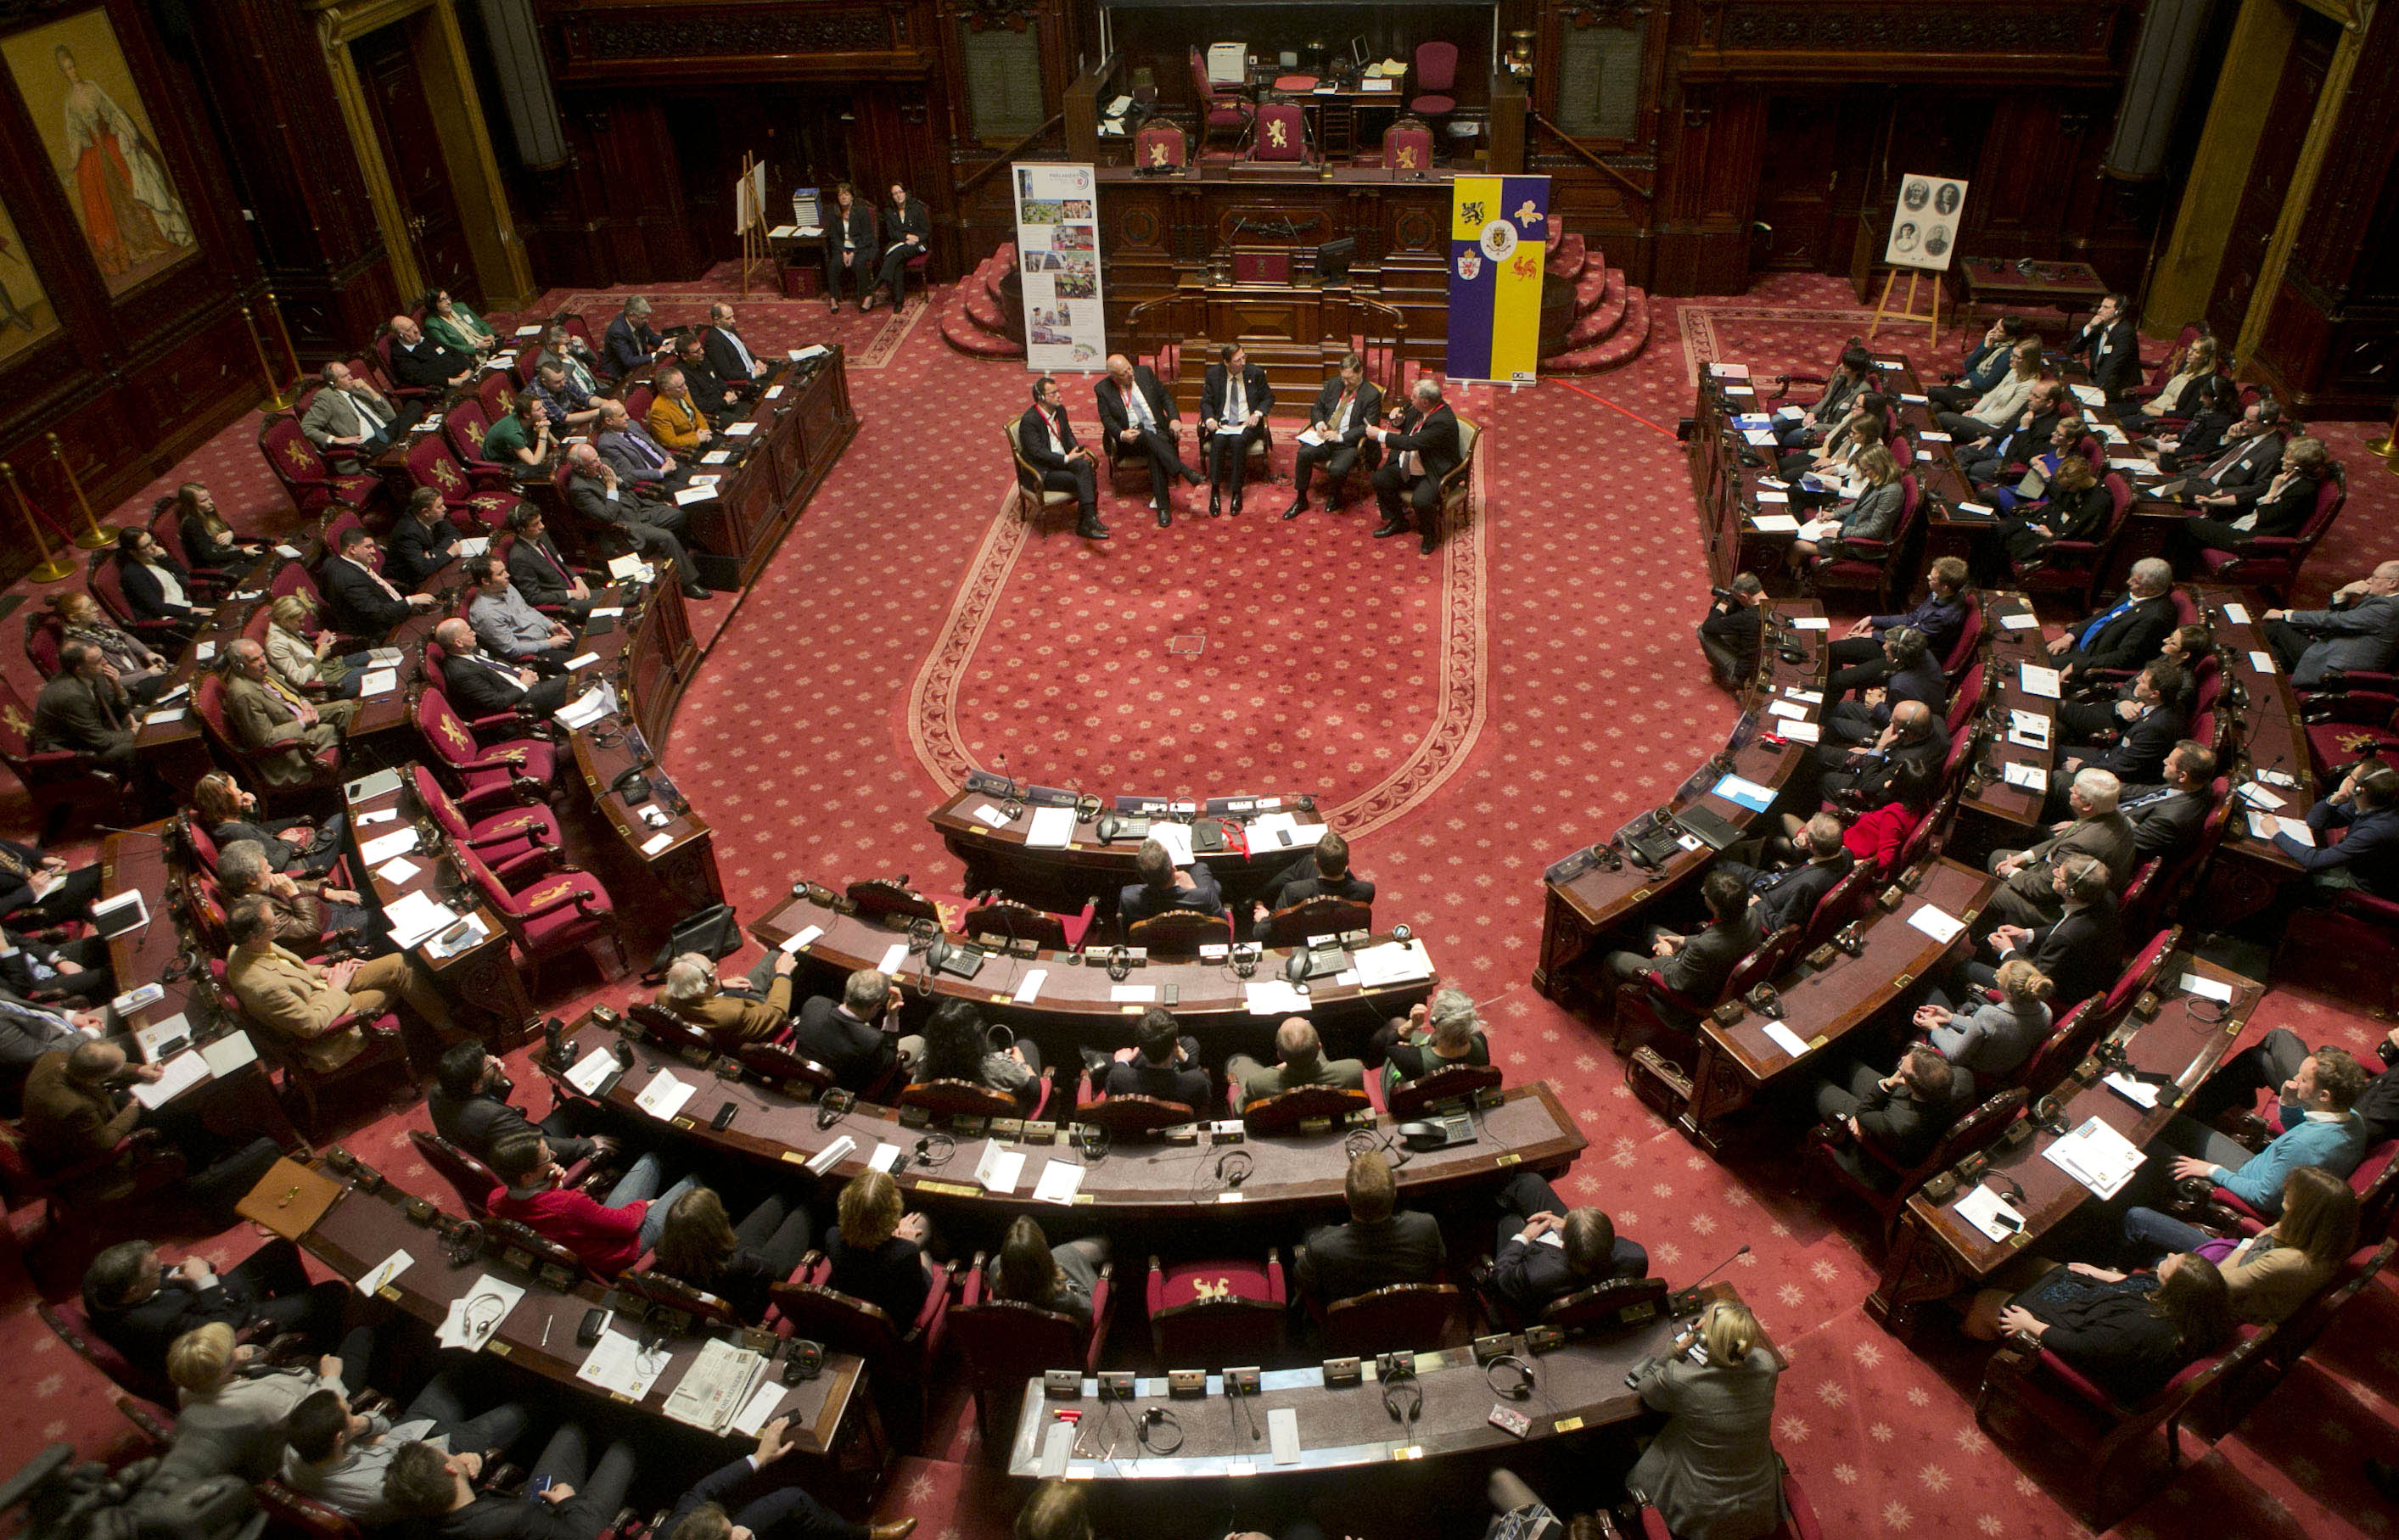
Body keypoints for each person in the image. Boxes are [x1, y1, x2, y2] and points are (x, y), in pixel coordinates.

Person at [224, 894, 455, 1069]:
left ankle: (442, 1022)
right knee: (394, 985)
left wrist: (323, 973)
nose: (277, 927)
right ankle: (451, 1033)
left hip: (323, 987)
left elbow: (295, 969)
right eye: (274, 926)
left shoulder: (244, 946)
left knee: (398, 963)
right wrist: (336, 988)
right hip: (330, 1023)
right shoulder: (262, 987)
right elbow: (311, 1026)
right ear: (253, 937)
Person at [2116, 1165, 2360, 1326]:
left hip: (2216, 1301)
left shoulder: (2291, 1262)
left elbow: (2217, 1283)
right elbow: (2254, 1242)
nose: (2283, 1197)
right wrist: (2246, 1245)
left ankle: (2116, 1270)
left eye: (2289, 1201)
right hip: (2230, 1259)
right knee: (2139, 1217)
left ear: (2306, 1213)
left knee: (2159, 1262)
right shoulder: (2315, 1235)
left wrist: (2244, 1246)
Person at [2147, 1043, 2371, 1216]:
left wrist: (2211, 1171)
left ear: (2324, 1096)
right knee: (2168, 1121)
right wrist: (2290, 1102)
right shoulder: (2353, 1119)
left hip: (2242, 1184)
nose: (2295, 1079)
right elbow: (2302, 1130)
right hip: (2261, 1168)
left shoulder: (2304, 1147)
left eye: (2303, 1079)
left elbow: (2263, 1197)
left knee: (2148, 1144)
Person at [81, 1236, 346, 1381]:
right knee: (333, 1292)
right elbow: (222, 1330)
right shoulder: (158, 1324)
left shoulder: (98, 1283)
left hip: (203, 1300)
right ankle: (326, 1343)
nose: (161, 1268)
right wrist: (204, 1282)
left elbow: (167, 1275)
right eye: (154, 1270)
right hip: (228, 1324)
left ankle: (304, 1321)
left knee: (280, 1248)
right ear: (134, 1292)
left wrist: (179, 1274)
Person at [1625, 1299, 1783, 1540]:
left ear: (1704, 1341)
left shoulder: (1681, 1379)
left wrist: (1673, 1352)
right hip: (1758, 1499)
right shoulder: (1767, 1365)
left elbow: (1647, 1389)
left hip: (1700, 1507)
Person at [283, 1375, 528, 1524]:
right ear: (339, 1437)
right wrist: (459, 1462)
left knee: (458, 1369)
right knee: (522, 1410)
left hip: (406, 1433)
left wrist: (361, 1424)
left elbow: (384, 1424)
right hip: (436, 1457)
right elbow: (437, 1485)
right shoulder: (380, 1488)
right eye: (350, 1413)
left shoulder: (296, 1448)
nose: (352, 1409)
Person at [1991, 1253, 2234, 1403]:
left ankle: (1966, 1325)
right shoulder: (2183, 1305)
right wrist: (2098, 1274)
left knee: (1989, 1303)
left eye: (2171, 1261)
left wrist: (2028, 1325)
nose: (2168, 1255)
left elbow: (2082, 1346)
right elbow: (2139, 1283)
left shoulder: (2139, 1329)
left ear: (2174, 1289)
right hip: (2093, 1311)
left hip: (2076, 1343)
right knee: (2043, 1265)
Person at [653, 1417, 914, 1540]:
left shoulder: (675, 1529)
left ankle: (864, 1535)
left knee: (793, 1499)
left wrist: (760, 1457)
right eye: (730, 1532)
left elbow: (704, 1489)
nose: (737, 1528)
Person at [160, 1320, 356, 1483]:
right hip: (317, 1415)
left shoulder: (188, 1384)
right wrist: (331, 1377)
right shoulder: (258, 1402)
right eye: (230, 1353)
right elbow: (317, 1414)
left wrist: (240, 1360)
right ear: (221, 1370)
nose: (236, 1349)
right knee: (360, 1337)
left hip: (295, 1384)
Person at [486, 1131, 696, 1275]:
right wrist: (644, 1204)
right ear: (528, 1177)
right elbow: (627, 1224)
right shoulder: (568, 1205)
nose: (554, 1156)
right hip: (623, 1249)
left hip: (592, 1235)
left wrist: (551, 1184)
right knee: (692, 1182)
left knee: (651, 1160)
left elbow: (545, 1211)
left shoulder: (496, 1199)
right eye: (546, 1158)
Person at [382, 1422, 637, 1540]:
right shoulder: (516, 1518)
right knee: (625, 1448)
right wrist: (568, 1502)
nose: (452, 1453)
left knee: (570, 1432)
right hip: (574, 1527)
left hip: (526, 1517)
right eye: (447, 1454)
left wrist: (472, 1473)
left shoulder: (416, 1520)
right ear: (449, 1469)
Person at [1982, 767, 2135, 931]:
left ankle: (1985, 939)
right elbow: (2062, 840)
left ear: (2088, 805)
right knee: (1997, 857)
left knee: (1987, 890)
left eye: (2075, 791)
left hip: (2055, 906)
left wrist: (2012, 872)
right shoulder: (2109, 811)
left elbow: (2043, 889)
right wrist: (2025, 857)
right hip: (2057, 877)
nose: (2070, 790)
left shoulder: (2085, 844)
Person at [1965, 854, 2123, 1008]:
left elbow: (2034, 980)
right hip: (2075, 966)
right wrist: (2027, 934)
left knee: (1963, 967)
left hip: (2055, 993)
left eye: (2059, 875)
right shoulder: (2106, 898)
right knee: (1990, 937)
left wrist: (2007, 952)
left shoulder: (2065, 937)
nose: (2053, 872)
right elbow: (2061, 927)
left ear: (2070, 892)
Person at [1488, 1170, 1646, 1319]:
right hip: (1570, 1273)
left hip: (1540, 1288)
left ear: (1563, 1243)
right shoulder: (1634, 1257)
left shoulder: (1535, 1275)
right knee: (1531, 1183)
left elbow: (1500, 1278)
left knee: (1509, 1221)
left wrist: (1525, 1237)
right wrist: (1570, 1227)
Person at [563, 442, 710, 599]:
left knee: (680, 516)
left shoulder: (605, 463)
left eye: (597, 458)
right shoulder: (579, 489)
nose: (599, 463)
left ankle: (679, 566)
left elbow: (631, 478)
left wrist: (617, 480)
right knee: (666, 536)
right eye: (592, 462)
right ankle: (688, 584)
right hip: (624, 525)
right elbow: (607, 516)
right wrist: (611, 487)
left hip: (639, 509)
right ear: (579, 467)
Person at [1294, 1147, 1441, 1302]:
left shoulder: (1321, 1248)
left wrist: (1333, 1233)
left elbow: (1302, 1280)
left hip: (1352, 1324)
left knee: (1310, 1231)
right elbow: (1439, 1263)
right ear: (1395, 1194)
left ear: (1346, 1198)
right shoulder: (1426, 1226)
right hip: (1414, 1315)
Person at [429, 1041, 607, 1168]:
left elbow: (482, 1101)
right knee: (581, 1111)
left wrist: (495, 1080)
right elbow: (538, 1148)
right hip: (528, 1166)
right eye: (489, 1064)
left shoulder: (438, 1093)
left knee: (576, 1106)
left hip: (493, 1149)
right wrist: (591, 1145)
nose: (495, 1059)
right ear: (475, 1084)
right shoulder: (494, 1117)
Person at [1812, 1044, 1974, 1183]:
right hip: (1903, 1104)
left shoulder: (1900, 1124)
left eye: (1902, 1068)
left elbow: (1863, 1113)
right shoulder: (1963, 1077)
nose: (1901, 1059)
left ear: (1906, 1082)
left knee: (1819, 1086)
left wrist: (1888, 1084)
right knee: (1849, 1065)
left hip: (1882, 1152)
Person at [1604, 870, 1760, 1011]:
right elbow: (1718, 936)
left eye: (1706, 893)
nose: (1703, 893)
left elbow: (1675, 982)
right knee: (1651, 930)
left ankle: (1609, 1004)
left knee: (1614, 958)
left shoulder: (1704, 947)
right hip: (1711, 968)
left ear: (1716, 906)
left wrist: (1666, 955)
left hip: (1687, 993)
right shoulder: (1752, 915)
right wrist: (1683, 941)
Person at [653, 1186, 812, 1324]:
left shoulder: (663, 1249)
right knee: (805, 1211)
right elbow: (770, 1271)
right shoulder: (743, 1263)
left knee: (779, 1199)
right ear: (716, 1225)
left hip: (727, 1260)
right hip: (757, 1289)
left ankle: (793, 1189)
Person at [221, 639, 358, 788]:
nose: (263, 662)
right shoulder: (243, 694)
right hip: (286, 744)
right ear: (238, 665)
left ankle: (357, 757)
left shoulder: (263, 670)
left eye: (263, 655)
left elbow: (294, 693)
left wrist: (305, 703)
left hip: (296, 712)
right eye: (255, 660)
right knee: (331, 729)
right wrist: (303, 722)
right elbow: (266, 739)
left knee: (346, 707)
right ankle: (353, 771)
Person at [2175, 436, 2337, 561]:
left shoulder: (2303, 490)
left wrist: (2273, 489)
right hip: (2246, 525)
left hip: (2258, 540)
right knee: (2190, 528)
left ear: (2299, 466)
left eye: (2287, 458)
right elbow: (2249, 496)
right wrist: (2212, 501)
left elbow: (2265, 517)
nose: (2282, 459)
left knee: (2189, 523)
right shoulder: (2286, 477)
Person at [1827, 557, 1972, 696]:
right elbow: (1912, 618)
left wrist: (1872, 635)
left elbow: (1912, 638)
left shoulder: (1946, 616)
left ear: (1945, 587)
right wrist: (1872, 620)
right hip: (1896, 644)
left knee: (1837, 680)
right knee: (1833, 650)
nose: (1928, 577)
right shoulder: (1940, 594)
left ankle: (1826, 712)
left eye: (1932, 578)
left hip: (1907, 658)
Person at [2259, 759, 2399, 897]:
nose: (2347, 778)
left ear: (2359, 789)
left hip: (2363, 886)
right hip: (2354, 863)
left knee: (2288, 882)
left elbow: (2314, 861)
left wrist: (2275, 832)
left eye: (2352, 776)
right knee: (2289, 861)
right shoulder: (2372, 800)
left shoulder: (2377, 830)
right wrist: (2336, 798)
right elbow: (2315, 821)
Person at [1095, 353, 1200, 525]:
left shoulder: (1144, 372)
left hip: (1157, 429)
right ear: (1113, 377)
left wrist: (1174, 418)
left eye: (1129, 367)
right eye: (1123, 373)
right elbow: (1107, 419)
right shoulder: (1103, 389)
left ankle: (1164, 507)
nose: (1130, 373)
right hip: (1131, 439)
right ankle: (1184, 471)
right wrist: (1122, 434)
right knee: (1145, 435)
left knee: (1154, 449)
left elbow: (1165, 397)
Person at [2262, 561, 2399, 689]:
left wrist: (2287, 614)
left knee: (2278, 626)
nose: (2369, 580)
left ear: (2392, 583)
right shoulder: (2384, 597)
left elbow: (2336, 620)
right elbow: (2342, 618)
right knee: (2277, 654)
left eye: (2374, 577)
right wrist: (2343, 593)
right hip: (2330, 647)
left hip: (2338, 667)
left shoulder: (2389, 608)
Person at [216, 839, 369, 954]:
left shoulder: (257, 885)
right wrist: (294, 895)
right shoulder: (258, 914)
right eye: (265, 868)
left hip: (328, 909)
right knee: (382, 913)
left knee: (373, 892)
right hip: (332, 930)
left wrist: (329, 892)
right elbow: (310, 930)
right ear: (250, 880)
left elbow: (293, 884)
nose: (271, 869)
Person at [826, 1170, 935, 1327]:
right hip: (892, 1322)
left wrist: (898, 1241)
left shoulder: (832, 1236)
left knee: (918, 1224)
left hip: (855, 1306)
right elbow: (917, 1295)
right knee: (923, 1232)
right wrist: (908, 1244)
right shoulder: (905, 1253)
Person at [1717, 812, 1856, 936]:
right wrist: (1803, 846)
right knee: (1722, 864)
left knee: (1717, 878)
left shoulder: (1807, 886)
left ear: (1812, 845)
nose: (1801, 832)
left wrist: (1758, 905)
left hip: (1761, 900)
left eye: (1805, 831)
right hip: (1775, 881)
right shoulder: (1845, 854)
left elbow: (1783, 927)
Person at [1912, 957, 2052, 1081]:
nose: (1996, 976)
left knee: (1926, 987)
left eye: (1998, 977)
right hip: (2006, 1059)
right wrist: (1950, 1018)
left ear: (2008, 994)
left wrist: (1934, 1028)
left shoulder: (1990, 1015)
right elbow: (1991, 1028)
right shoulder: (2046, 1012)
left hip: (1980, 1068)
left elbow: (1956, 1056)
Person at [2055, 658, 2185, 788]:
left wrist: (2081, 766)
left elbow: (2124, 768)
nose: (2137, 680)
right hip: (2111, 756)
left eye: (2143, 681)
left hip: (2116, 776)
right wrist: (2121, 706)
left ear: (2155, 694)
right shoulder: (2159, 706)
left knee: (2056, 757)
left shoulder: (2156, 728)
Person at [1286, 352, 1385, 519]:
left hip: (1349, 442)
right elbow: (1317, 407)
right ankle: (1301, 498)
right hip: (1324, 437)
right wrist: (1319, 424)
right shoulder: (1334, 383)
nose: (1345, 383)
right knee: (1304, 454)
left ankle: (1336, 495)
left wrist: (1340, 437)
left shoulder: (1371, 394)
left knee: (1337, 469)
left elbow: (1367, 427)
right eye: (1343, 378)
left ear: (1360, 372)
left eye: (1350, 379)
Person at [1369, 376, 1461, 554]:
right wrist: (1397, 420)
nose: (1410, 400)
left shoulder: (1442, 421)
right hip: (1411, 462)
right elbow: (1406, 426)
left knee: (1421, 501)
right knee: (1380, 479)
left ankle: (1429, 535)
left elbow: (1412, 442)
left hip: (1431, 469)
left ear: (1425, 402)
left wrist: (1380, 435)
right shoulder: (1420, 408)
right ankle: (1398, 521)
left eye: (1413, 397)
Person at [2046, 558, 2178, 683]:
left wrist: (2079, 664)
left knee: (2035, 666)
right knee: (2030, 649)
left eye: (2136, 581)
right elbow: (2103, 615)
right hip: (2080, 643)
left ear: (2152, 589)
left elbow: (2122, 657)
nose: (2128, 582)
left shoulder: (2154, 619)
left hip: (2091, 658)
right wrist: (2069, 637)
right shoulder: (2137, 593)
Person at [193, 770, 344, 878]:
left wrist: (249, 809)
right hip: (302, 866)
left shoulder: (224, 825)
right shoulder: (235, 832)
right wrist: (287, 843)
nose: (240, 792)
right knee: (341, 819)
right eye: (235, 788)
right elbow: (275, 866)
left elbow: (256, 830)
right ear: (224, 798)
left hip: (292, 855)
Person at [792, 967, 922, 1090]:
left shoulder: (815, 1004)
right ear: (875, 1006)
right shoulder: (872, 1040)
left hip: (799, 1076)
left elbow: (835, 1010)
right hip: (841, 1088)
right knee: (918, 1041)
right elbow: (889, 1063)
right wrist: (892, 1016)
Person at [1787, 445, 1903, 575]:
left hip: (1859, 545)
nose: (1864, 474)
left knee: (1798, 546)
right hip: (1850, 529)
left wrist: (1842, 533)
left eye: (1866, 470)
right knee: (1798, 534)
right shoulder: (1878, 480)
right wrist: (1833, 514)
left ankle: (1789, 583)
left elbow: (1874, 531)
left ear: (1879, 467)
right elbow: (1858, 505)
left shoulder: (1891, 492)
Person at [913, 998, 1040, 1110]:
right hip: (993, 1119)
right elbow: (1034, 1091)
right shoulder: (997, 1066)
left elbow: (916, 1085)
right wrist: (1023, 1064)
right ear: (977, 1035)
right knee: (1026, 1044)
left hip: (942, 1114)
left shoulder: (924, 1061)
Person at [31, 641, 136, 778]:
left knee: (148, 715)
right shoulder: (71, 695)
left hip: (90, 735)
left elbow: (116, 711)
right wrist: (134, 732)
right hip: (70, 756)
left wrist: (116, 685)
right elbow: (101, 741)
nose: (105, 662)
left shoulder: (91, 673)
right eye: (98, 661)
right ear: (79, 669)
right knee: (134, 746)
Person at [1821, 627, 1942, 746]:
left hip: (1903, 733)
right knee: (1841, 708)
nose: (1883, 647)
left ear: (1896, 659)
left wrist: (1877, 705)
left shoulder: (1899, 685)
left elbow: (1898, 725)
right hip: (1917, 709)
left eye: (1887, 650)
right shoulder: (1923, 653)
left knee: (1831, 723)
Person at [1018, 374, 1104, 540]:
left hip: (1062, 459)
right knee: (1084, 479)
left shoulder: (1060, 410)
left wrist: (1074, 450)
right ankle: (1087, 522)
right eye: (1053, 393)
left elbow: (1067, 434)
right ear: (1041, 398)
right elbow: (1038, 453)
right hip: (1043, 471)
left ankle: (1088, 521)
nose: (1059, 395)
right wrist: (1066, 459)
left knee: (1086, 468)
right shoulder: (1029, 421)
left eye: (1058, 391)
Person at [434, 618, 574, 718]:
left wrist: (520, 671)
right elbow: (496, 702)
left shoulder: (471, 649)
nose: (474, 633)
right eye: (469, 632)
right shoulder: (461, 672)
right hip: (520, 702)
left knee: (574, 677)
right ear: (458, 642)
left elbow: (496, 661)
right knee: (569, 680)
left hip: (522, 683)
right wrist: (524, 685)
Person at [986, 1215, 1108, 1327]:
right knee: (1103, 1243)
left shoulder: (995, 1267)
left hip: (1015, 1336)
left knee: (1066, 1252)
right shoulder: (1065, 1300)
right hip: (1059, 1343)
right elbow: (1089, 1311)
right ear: (1047, 1260)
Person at [1819, 698, 1947, 806]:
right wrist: (1872, 751)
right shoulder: (1935, 721)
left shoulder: (1905, 762)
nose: (1889, 723)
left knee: (1826, 779)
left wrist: (1880, 747)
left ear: (1904, 733)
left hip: (1874, 787)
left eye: (1893, 722)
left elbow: (1868, 787)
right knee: (1822, 752)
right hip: (1883, 758)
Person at [659, 947, 798, 1045]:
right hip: (760, 1014)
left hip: (723, 998)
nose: (715, 966)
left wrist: (721, 985)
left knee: (776, 955)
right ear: (709, 981)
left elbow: (691, 990)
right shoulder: (731, 1014)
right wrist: (783, 974)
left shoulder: (662, 998)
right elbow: (776, 1013)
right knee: (791, 968)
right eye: (712, 967)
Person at [1370, 986, 1490, 1096]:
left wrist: (1412, 1024)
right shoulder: (1480, 1040)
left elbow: (1391, 1046)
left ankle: (1369, 1061)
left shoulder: (1412, 1059)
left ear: (1434, 1021)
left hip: (1414, 1095)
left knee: (1397, 1023)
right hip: (1458, 1093)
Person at [1998, 455, 2114, 568]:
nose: (2065, 490)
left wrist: (2051, 535)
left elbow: (2081, 532)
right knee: (2004, 526)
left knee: (2013, 540)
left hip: (2063, 545)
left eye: (2067, 487)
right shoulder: (2076, 485)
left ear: (2080, 482)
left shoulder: (2098, 501)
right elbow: (2058, 501)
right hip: (2050, 523)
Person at [1200, 343, 1274, 516]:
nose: (1243, 362)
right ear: (1226, 362)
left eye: (1244, 357)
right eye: (1238, 360)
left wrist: (1257, 413)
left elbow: (1269, 398)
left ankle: (1236, 492)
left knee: (1238, 442)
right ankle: (1215, 491)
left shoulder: (1255, 373)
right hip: (1223, 423)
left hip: (1246, 423)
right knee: (1218, 442)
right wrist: (1209, 419)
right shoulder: (1214, 374)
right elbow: (1205, 401)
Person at [2115, 740, 2219, 862]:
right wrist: (2107, 785)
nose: (2164, 761)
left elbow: (2124, 844)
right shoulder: (2196, 783)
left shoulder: (2170, 819)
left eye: (2169, 763)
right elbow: (2146, 792)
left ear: (2182, 776)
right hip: (2122, 816)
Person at [323, 526, 438, 636]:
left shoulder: (333, 561)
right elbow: (378, 613)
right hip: (382, 630)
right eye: (368, 547)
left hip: (390, 608)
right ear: (352, 549)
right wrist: (410, 601)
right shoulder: (350, 579)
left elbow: (322, 593)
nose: (374, 551)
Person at [1226, 1016, 1367, 1106]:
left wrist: (1234, 1085)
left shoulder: (1257, 1084)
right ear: (1319, 1047)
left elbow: (1239, 1109)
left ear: (1279, 1055)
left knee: (1237, 1060)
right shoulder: (1353, 1070)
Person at [463, 557, 574, 669]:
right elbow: (512, 649)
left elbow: (527, 609)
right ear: (486, 581)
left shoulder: (506, 586)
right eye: (500, 573)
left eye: (505, 570)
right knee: (581, 663)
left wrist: (551, 626)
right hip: (537, 653)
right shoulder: (486, 614)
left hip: (549, 635)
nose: (508, 575)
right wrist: (549, 644)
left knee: (589, 639)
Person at [1098, 1005, 1210, 1111]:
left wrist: (1121, 1061)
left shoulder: (1119, 1078)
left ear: (1139, 1046)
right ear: (1176, 1044)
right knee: (1191, 1043)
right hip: (1177, 1128)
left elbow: (1109, 1089)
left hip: (1134, 1129)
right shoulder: (1196, 1082)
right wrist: (1185, 1059)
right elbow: (1206, 1094)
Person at [266, 593, 375, 700]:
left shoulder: (286, 628)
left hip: (329, 667)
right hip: (325, 681)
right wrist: (319, 656)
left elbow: (303, 651)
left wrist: (321, 642)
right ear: (285, 620)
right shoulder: (276, 645)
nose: (303, 624)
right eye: (299, 621)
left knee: (379, 656)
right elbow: (299, 679)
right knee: (382, 672)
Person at [1774, 344, 1876, 450]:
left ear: (1855, 371)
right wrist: (1811, 413)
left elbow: (1848, 424)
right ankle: (1772, 454)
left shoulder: (1863, 391)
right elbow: (1825, 400)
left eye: (1845, 366)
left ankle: (1774, 456)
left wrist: (1818, 427)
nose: (1840, 367)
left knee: (1789, 437)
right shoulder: (1841, 378)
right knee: (1776, 421)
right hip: (1816, 418)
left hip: (1828, 428)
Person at [1256, 830, 1375, 919]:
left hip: (1303, 933)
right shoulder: (1367, 890)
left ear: (1317, 864)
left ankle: (1257, 895)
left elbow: (1265, 929)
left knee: (1306, 861)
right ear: (1347, 863)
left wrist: (1265, 917)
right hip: (1342, 927)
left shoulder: (1293, 891)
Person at [503, 507, 595, 624]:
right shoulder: (519, 557)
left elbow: (559, 563)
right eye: (535, 524)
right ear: (521, 529)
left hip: (574, 587)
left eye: (541, 521)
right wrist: (569, 594)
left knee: (616, 596)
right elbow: (533, 597)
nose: (542, 526)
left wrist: (577, 579)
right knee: (611, 606)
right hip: (562, 602)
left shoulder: (541, 536)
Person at [1927, 316, 2030, 413]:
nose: (1994, 331)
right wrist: (1984, 348)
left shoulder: (2008, 355)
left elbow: (1986, 384)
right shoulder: (1991, 341)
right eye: (1995, 326)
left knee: (1934, 392)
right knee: (1936, 407)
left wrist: (1972, 376)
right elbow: (1968, 366)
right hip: (1969, 385)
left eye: (2000, 331)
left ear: (2010, 336)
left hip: (1979, 394)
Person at [301, 361, 398, 465]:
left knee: (415, 405)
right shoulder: (325, 397)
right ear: (332, 382)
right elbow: (306, 427)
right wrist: (337, 440)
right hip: (367, 445)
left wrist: (368, 389)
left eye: (349, 373)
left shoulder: (356, 388)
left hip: (388, 430)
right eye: (344, 376)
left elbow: (391, 416)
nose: (351, 378)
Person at [2122, 333, 2219, 433]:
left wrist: (2158, 412)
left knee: (2119, 423)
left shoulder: (2203, 381)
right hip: (2156, 404)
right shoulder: (2187, 365)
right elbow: (2165, 389)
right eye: (2191, 348)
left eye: (2196, 352)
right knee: (2111, 411)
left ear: (2206, 357)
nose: (2189, 353)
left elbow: (2187, 414)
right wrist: (2152, 403)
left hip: (2166, 415)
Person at [595, 397, 693, 492]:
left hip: (670, 467)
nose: (628, 417)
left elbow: (653, 444)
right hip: (657, 481)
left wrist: (667, 457)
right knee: (693, 492)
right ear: (609, 421)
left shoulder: (632, 425)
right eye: (622, 416)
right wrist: (660, 472)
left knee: (702, 479)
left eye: (626, 413)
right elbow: (629, 472)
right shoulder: (607, 444)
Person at [1118, 837, 1223, 926]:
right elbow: (1222, 925)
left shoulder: (1128, 897)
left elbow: (1127, 932)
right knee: (1209, 878)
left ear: (1141, 876)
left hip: (1153, 944)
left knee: (1215, 885)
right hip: (1196, 942)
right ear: (1174, 869)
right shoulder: (1205, 896)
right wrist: (1194, 891)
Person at [0, 838, 100, 927]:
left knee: (101, 873)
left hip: (37, 881)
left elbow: (8, 846)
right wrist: (27, 892)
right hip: (26, 905)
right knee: (100, 874)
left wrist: (41, 859)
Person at [114, 526, 195, 632]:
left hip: (184, 602)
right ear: (133, 552)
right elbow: (158, 607)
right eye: (147, 546)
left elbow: (184, 576)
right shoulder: (133, 574)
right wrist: (191, 610)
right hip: (170, 619)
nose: (154, 547)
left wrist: (166, 559)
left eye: (152, 541)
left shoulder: (155, 555)